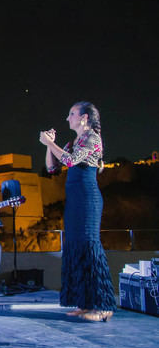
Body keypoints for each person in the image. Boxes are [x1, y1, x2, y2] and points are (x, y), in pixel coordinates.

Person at [39, 101, 116, 322]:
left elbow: (71, 160)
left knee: (89, 247)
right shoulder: (74, 141)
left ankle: (103, 306)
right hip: (74, 201)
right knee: (76, 248)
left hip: (87, 199)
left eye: (71, 114)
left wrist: (50, 144)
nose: (67, 118)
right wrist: (49, 145)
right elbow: (53, 168)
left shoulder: (92, 138)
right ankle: (85, 303)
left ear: (84, 117)